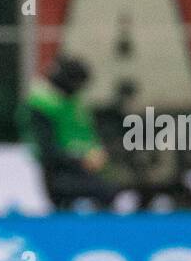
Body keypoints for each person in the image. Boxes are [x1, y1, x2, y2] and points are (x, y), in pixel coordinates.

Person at [18, 55, 118, 212]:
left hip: (89, 169)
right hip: (61, 173)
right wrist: (81, 160)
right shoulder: (42, 105)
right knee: (105, 191)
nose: (79, 88)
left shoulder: (73, 102)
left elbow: (88, 133)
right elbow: (47, 151)